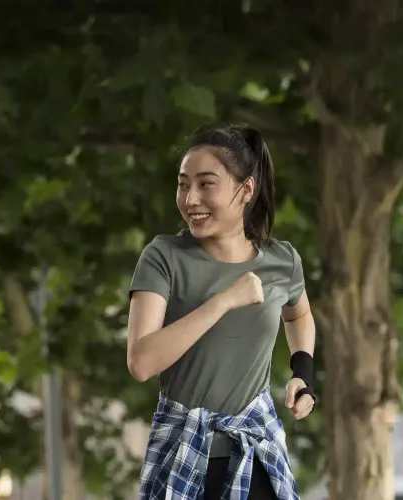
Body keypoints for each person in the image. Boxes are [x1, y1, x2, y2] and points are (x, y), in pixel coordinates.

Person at [126, 125, 316, 500]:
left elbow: (299, 315)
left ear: (246, 191)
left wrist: (303, 373)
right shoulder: (163, 257)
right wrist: (223, 301)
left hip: (257, 456)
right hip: (184, 457)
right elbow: (141, 362)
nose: (190, 198)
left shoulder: (282, 260)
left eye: (206, 184)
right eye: (183, 184)